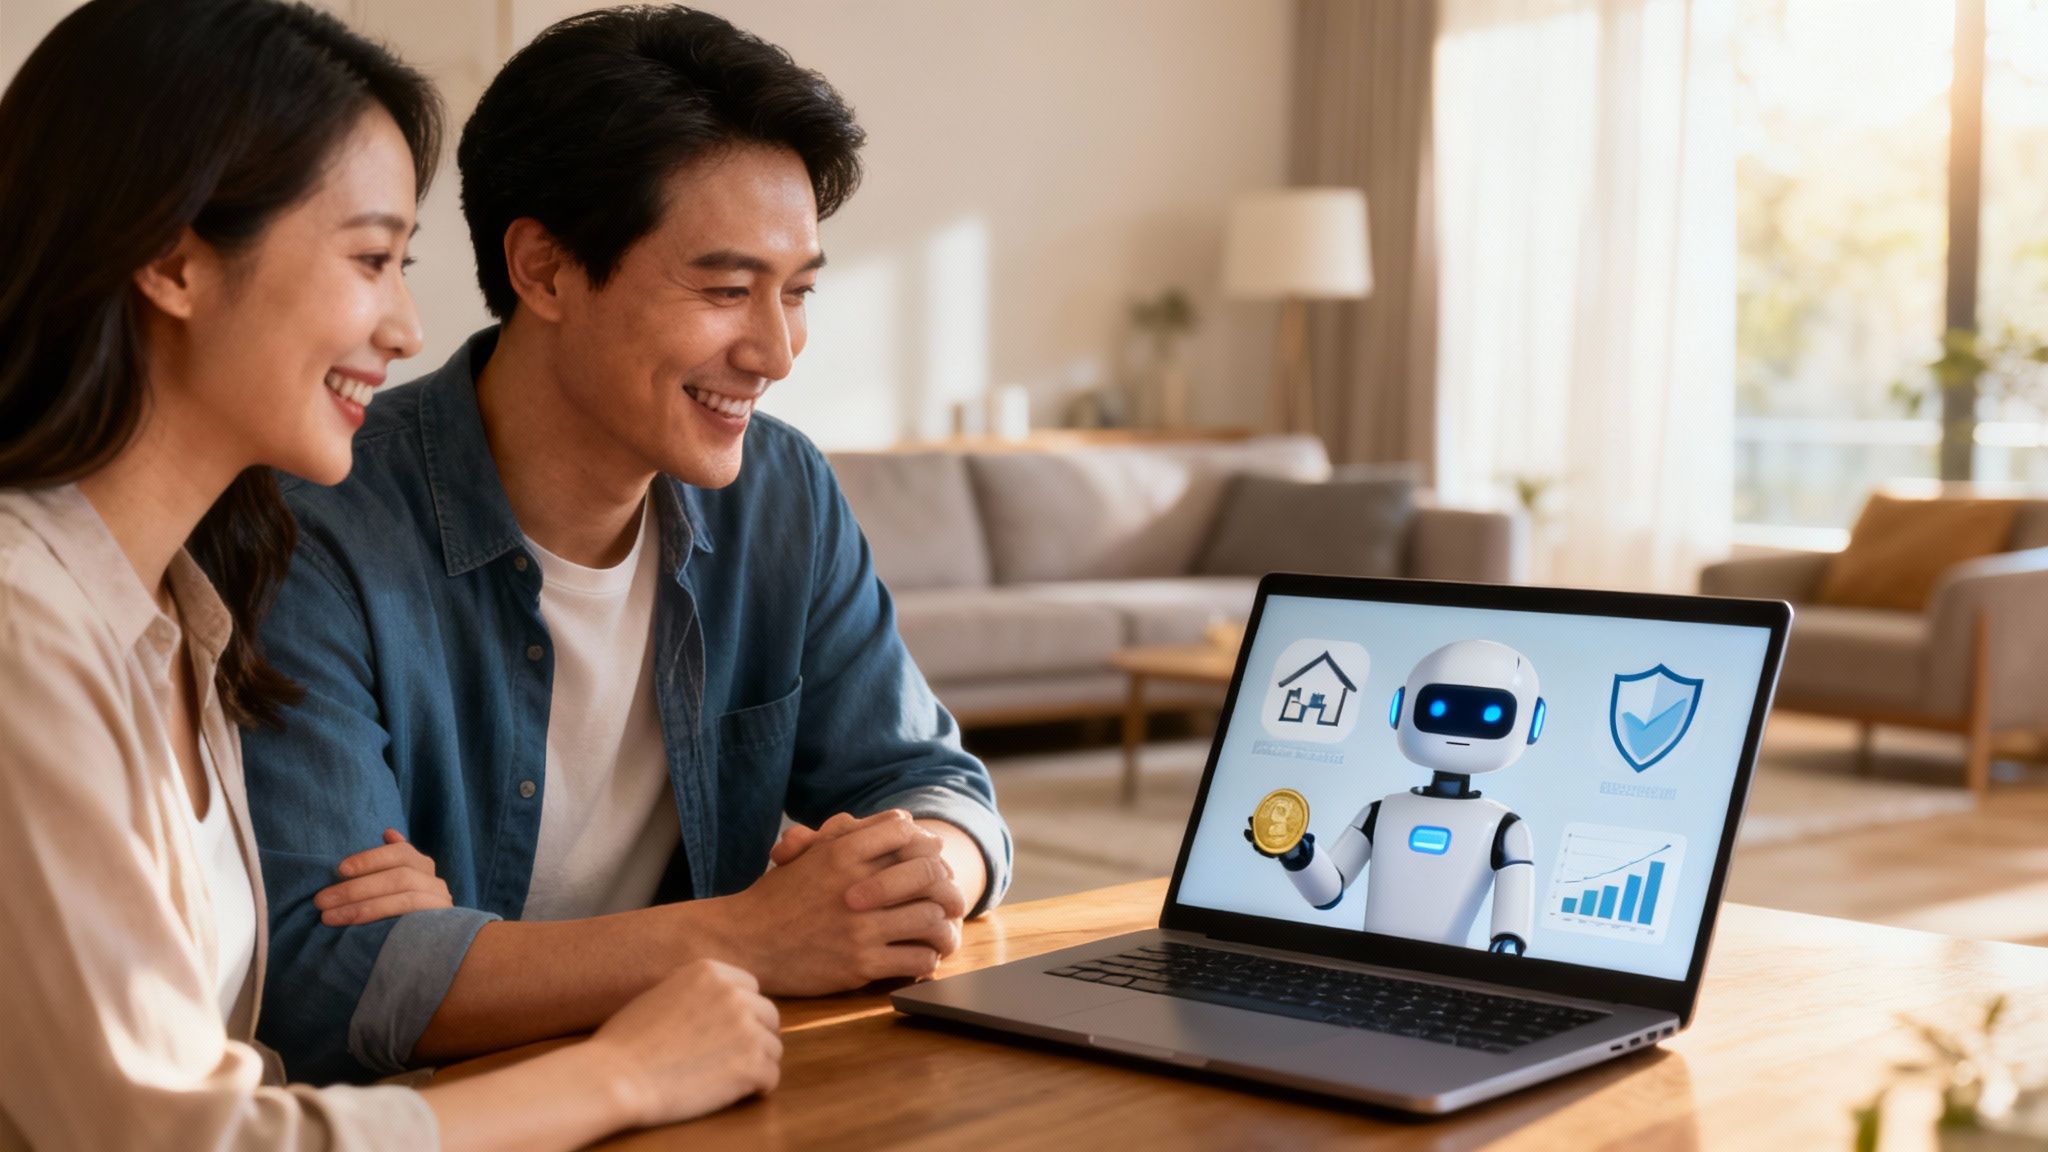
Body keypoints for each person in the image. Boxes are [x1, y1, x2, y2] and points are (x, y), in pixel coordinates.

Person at [0, 2, 779, 1147]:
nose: (409, 327)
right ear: (171, 259)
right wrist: (619, 1075)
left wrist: (450, 935)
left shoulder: (180, 609)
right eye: (370, 259)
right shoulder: (28, 630)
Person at [238, 3, 1013, 1086]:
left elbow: (936, 784)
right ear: (544, 270)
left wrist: (914, 874)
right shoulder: (316, 519)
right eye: (727, 289)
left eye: (797, 294)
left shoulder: (779, 492)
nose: (777, 351)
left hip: (709, 1090)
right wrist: (751, 934)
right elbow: (330, 982)